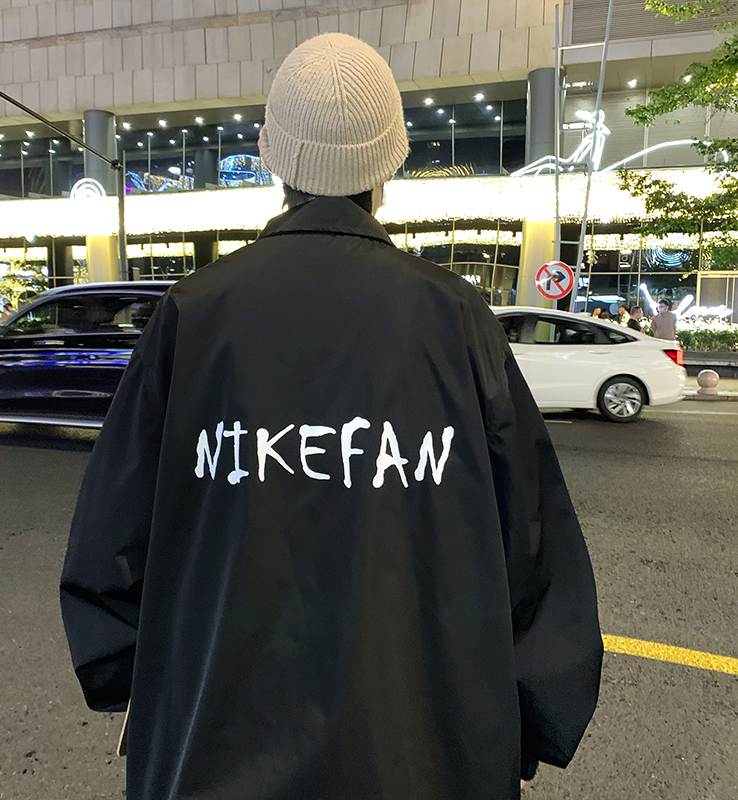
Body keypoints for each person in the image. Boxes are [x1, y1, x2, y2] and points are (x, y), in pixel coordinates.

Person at [61, 33, 602, 800]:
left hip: (213, 752)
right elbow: (535, 543)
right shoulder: (453, 319)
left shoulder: (195, 315)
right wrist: (522, 718)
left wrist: (138, 681)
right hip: (427, 759)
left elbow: (110, 545)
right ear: (391, 164)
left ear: (269, 155)